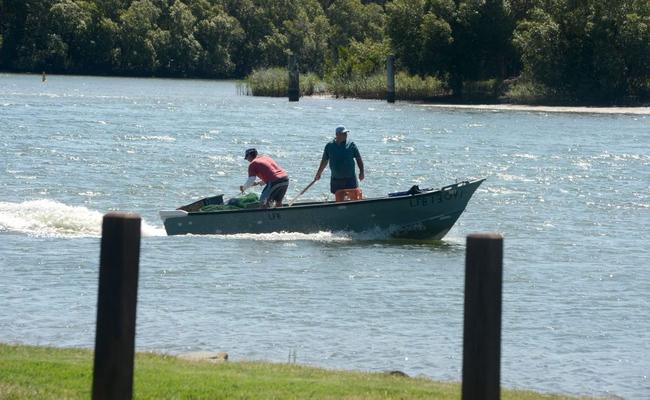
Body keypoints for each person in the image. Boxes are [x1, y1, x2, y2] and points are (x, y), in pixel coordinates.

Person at [314, 125, 364, 194]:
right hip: (336, 179)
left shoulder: (351, 144)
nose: (346, 135)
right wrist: (318, 173)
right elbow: (324, 161)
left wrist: (361, 172)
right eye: (343, 133)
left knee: (354, 197)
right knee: (339, 199)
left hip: (350, 178)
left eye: (346, 133)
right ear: (337, 134)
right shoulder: (329, 146)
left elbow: (359, 159)